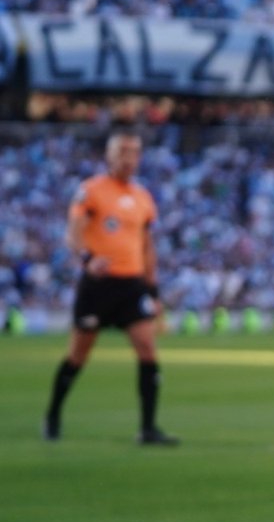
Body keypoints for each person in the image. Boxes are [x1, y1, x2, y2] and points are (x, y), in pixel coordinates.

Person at [42, 130, 178, 446]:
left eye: (134, 152)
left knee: (147, 348)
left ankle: (147, 428)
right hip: (99, 285)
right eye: (122, 151)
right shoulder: (91, 191)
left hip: (131, 284)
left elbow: (147, 246)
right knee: (78, 355)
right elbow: (73, 233)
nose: (129, 158)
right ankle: (53, 415)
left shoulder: (144, 197)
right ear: (109, 156)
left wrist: (153, 292)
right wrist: (88, 259)